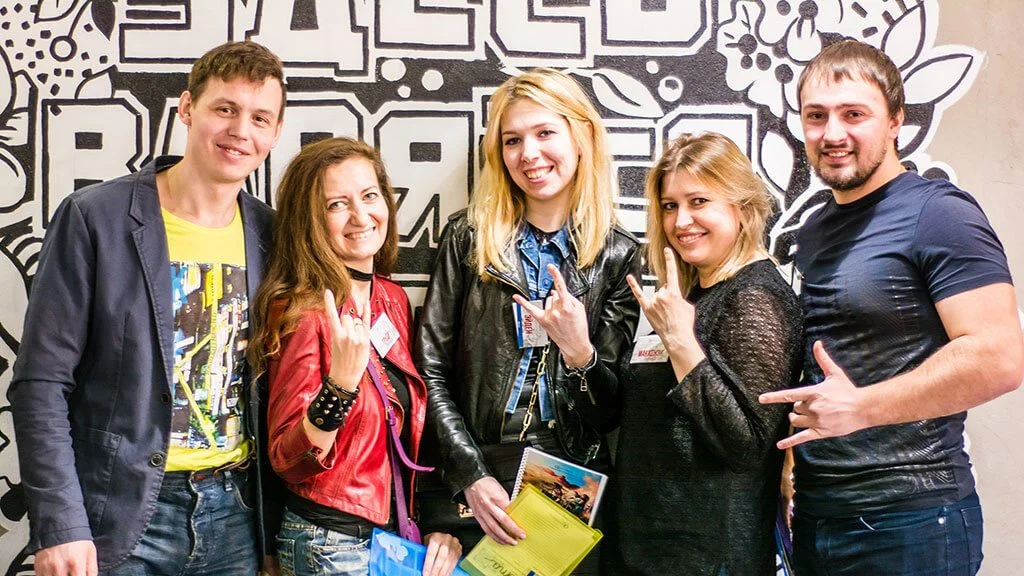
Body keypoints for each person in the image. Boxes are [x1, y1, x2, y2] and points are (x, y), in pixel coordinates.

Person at [9, 41, 285, 575]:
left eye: (259, 118)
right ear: (187, 108)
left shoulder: (272, 234)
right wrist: (62, 525)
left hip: (237, 518)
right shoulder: (95, 218)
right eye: (225, 109)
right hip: (119, 515)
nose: (240, 131)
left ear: (274, 133)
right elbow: (41, 382)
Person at [759, 40, 1024, 575]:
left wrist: (863, 407)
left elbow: (1000, 358)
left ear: (896, 120)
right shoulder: (813, 230)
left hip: (911, 523)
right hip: (818, 515)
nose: (832, 133)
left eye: (854, 114)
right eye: (816, 116)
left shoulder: (938, 213)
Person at [414, 68, 641, 573]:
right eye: (512, 140)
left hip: (572, 479)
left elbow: (611, 413)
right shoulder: (468, 239)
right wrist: (469, 475)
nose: (529, 154)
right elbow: (429, 371)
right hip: (481, 475)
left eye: (544, 133)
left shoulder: (618, 255)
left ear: (581, 137)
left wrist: (580, 353)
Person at [251, 137, 462, 576]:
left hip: (391, 536)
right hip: (329, 543)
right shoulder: (303, 311)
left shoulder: (391, 298)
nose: (361, 216)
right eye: (336, 205)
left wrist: (434, 521)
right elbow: (288, 460)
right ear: (310, 221)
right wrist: (339, 387)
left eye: (369, 196)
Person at [600, 132, 802, 575]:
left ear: (742, 206)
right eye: (670, 206)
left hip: (707, 558)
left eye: (699, 201)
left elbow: (747, 445)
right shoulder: (695, 295)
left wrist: (681, 342)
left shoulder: (756, 297)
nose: (681, 220)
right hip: (646, 548)